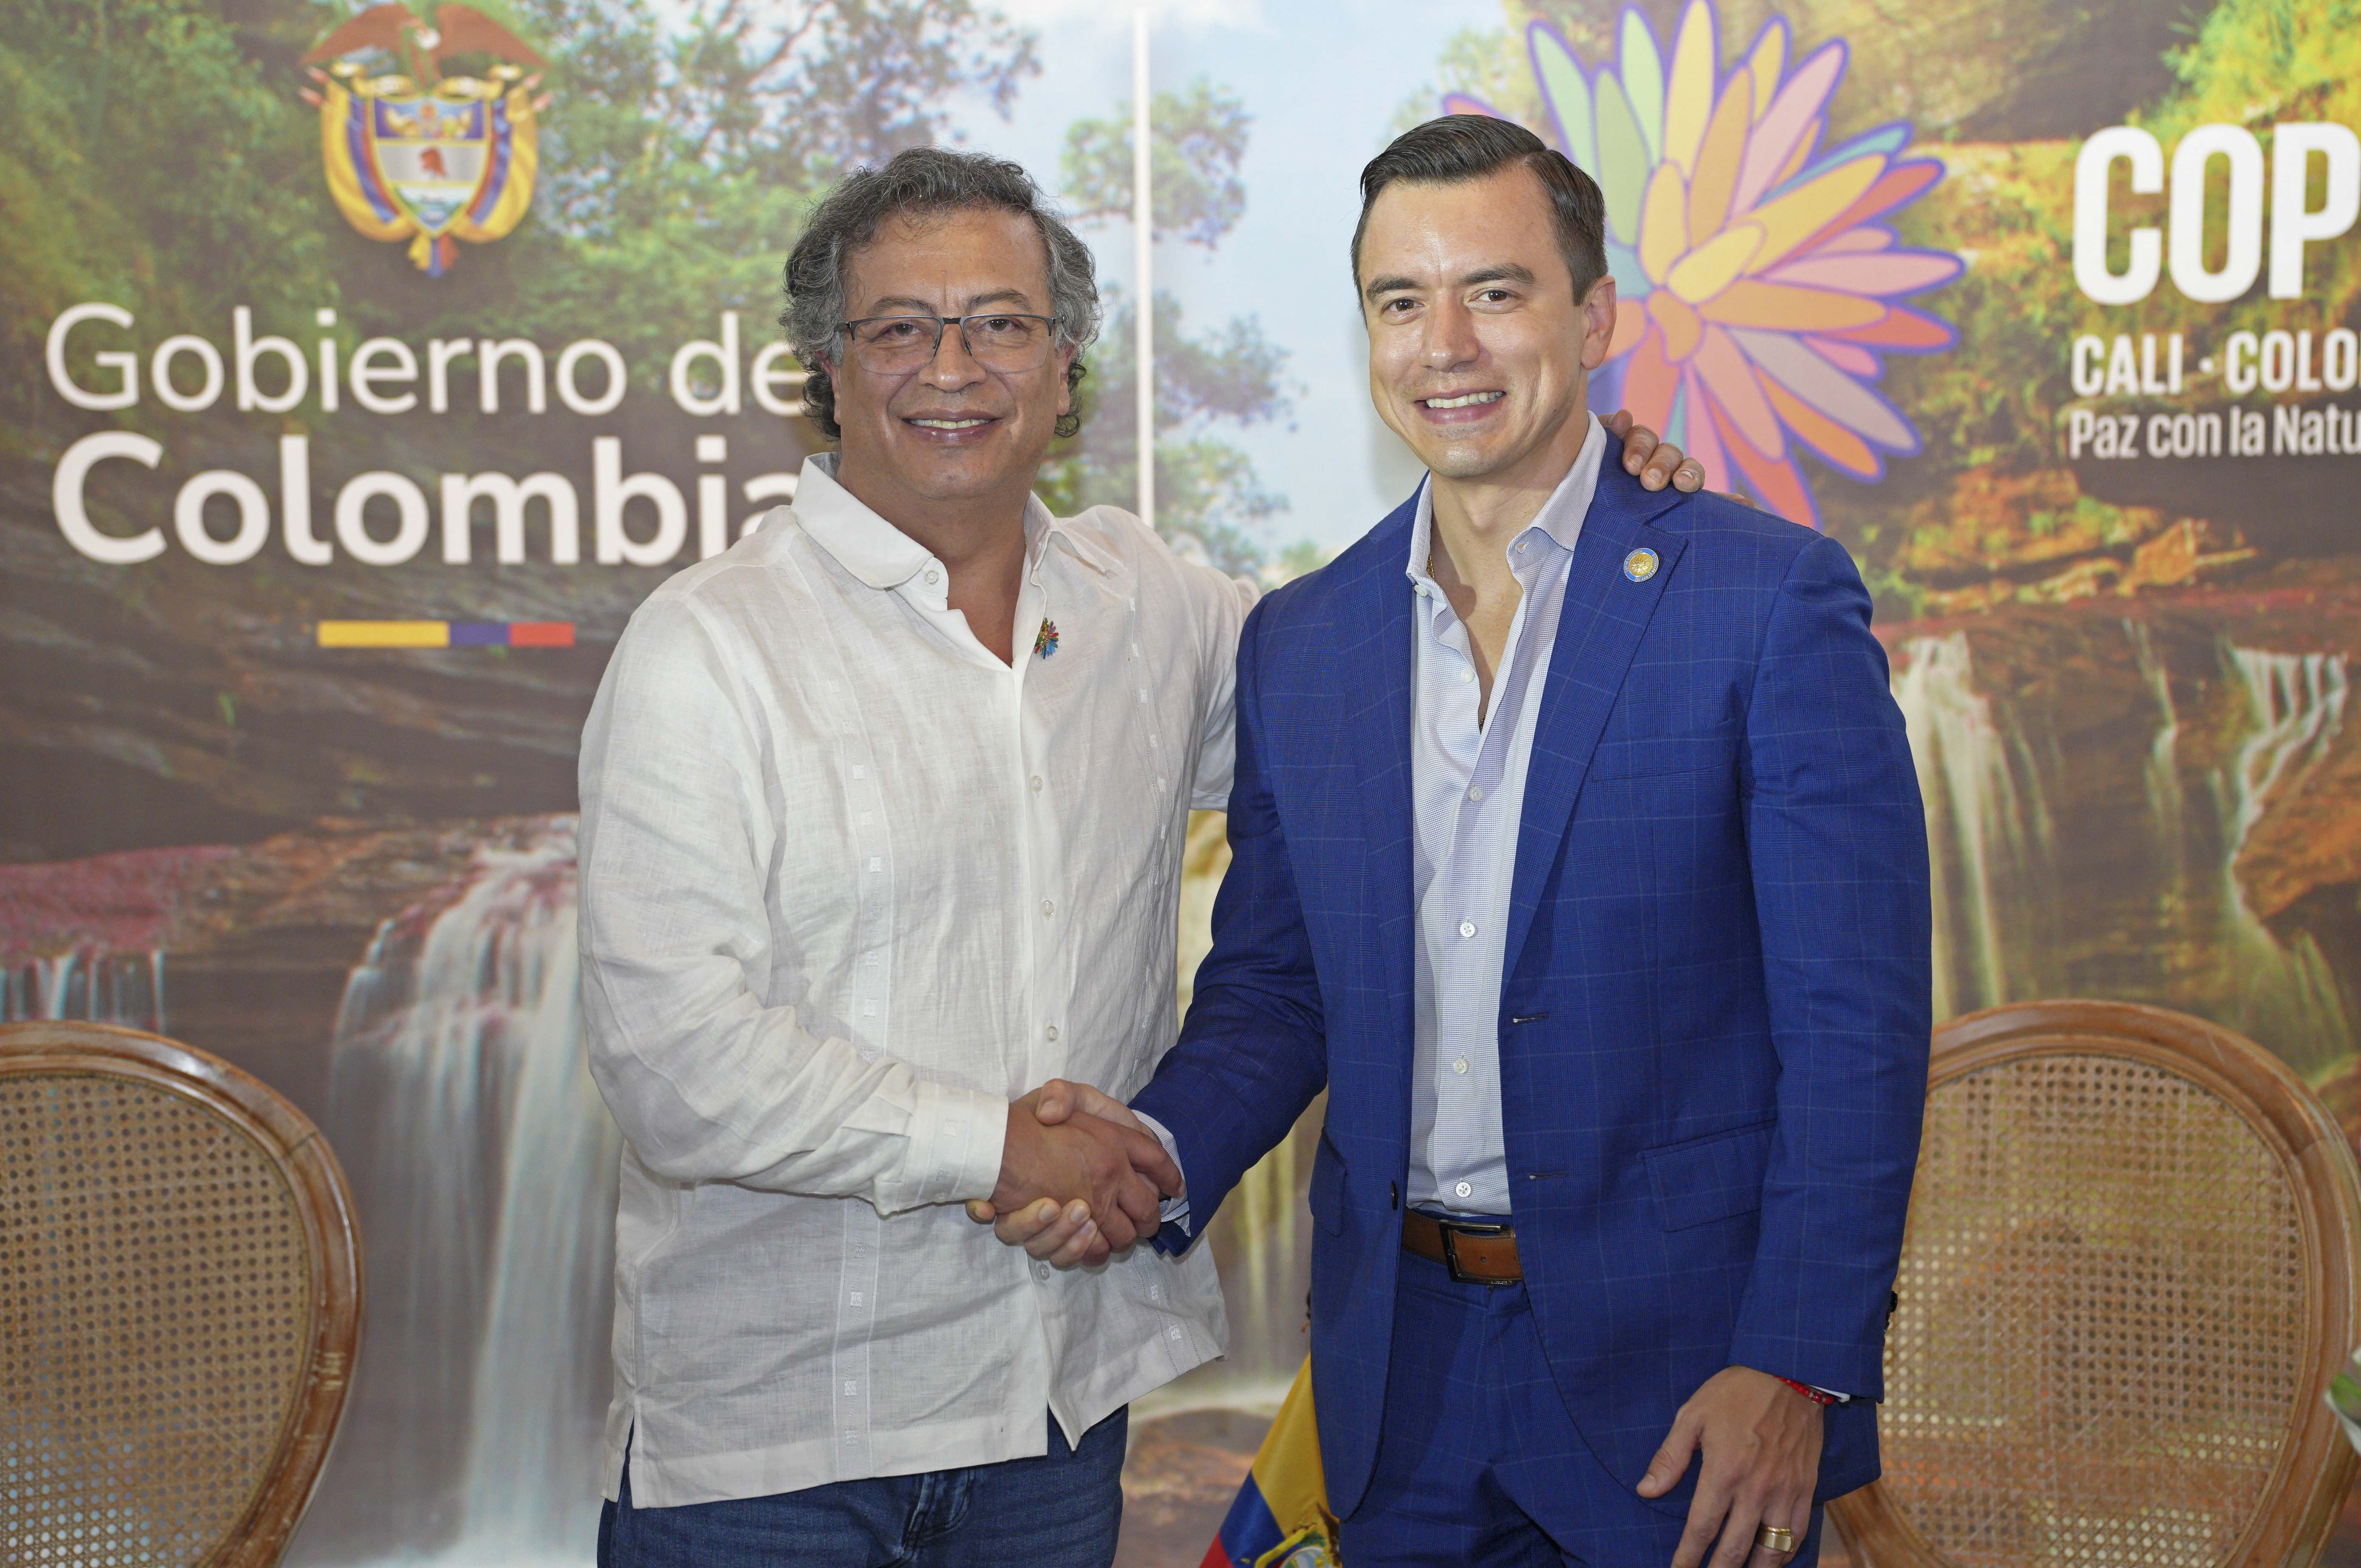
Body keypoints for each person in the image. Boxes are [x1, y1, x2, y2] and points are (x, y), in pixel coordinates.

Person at [578, 144, 1701, 1567]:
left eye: (1002, 323)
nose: (954, 367)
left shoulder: (1155, 609)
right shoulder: (709, 647)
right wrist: (994, 1139)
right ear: (827, 367)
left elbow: (1407, 674)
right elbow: (673, 1060)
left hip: (1054, 1425)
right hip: (775, 1453)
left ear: (1065, 368)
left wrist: (1596, 490)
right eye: (900, 328)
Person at [990, 116, 1931, 1568]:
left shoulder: (1764, 601)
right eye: (1401, 301)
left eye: (1496, 291)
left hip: (1692, 1387)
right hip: (1398, 1379)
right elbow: (1280, 987)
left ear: (1594, 315)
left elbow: (1854, 1027)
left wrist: (1799, 1364)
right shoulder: (1303, 642)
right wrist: (1158, 1152)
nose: (1450, 345)